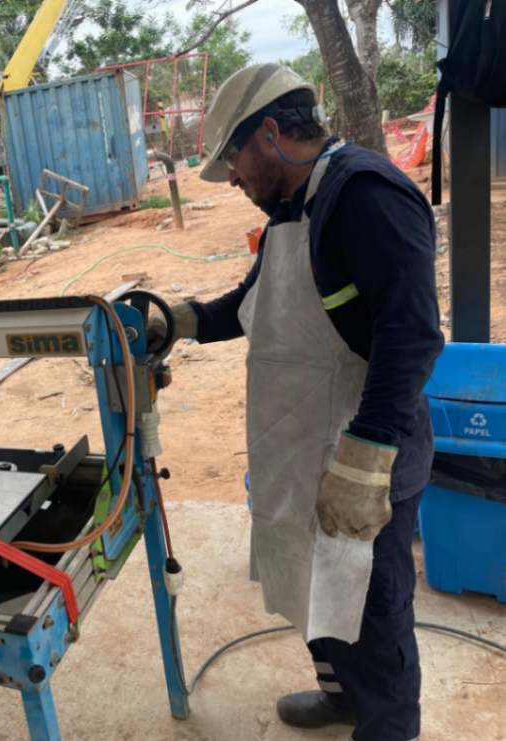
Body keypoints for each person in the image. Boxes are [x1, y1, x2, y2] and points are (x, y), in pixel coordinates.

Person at [149, 64, 443, 741]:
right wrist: (182, 319)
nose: (233, 179)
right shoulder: (291, 206)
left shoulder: (364, 195)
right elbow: (251, 305)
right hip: (300, 446)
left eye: (233, 159)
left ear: (272, 133)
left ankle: (385, 727)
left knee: (372, 609)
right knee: (316, 595)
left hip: (362, 449)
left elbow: (411, 334)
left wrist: (366, 457)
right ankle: (339, 697)